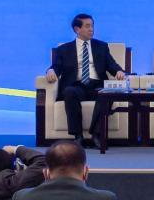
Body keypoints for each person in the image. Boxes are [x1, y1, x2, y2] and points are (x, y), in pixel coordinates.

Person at [45, 13, 126, 149]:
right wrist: (50, 70)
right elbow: (56, 67)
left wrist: (119, 71)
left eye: (92, 26)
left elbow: (111, 65)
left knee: (107, 93)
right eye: (87, 26)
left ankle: (96, 134)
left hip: (97, 85)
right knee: (69, 92)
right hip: (76, 86)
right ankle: (78, 136)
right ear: (77, 29)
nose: (91, 29)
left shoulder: (101, 46)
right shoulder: (64, 49)